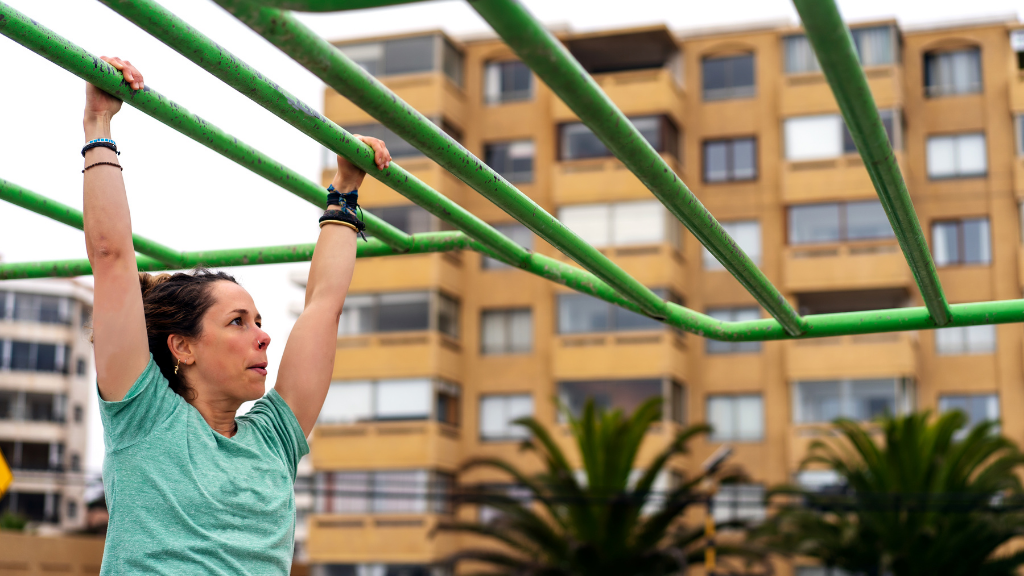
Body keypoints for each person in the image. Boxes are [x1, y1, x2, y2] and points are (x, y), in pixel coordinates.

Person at [83, 56, 391, 574]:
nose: (264, 337)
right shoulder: (143, 418)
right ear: (182, 346)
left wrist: (345, 189)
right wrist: (98, 124)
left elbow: (323, 308)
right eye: (238, 322)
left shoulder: (272, 440)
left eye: (259, 320)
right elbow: (112, 259)